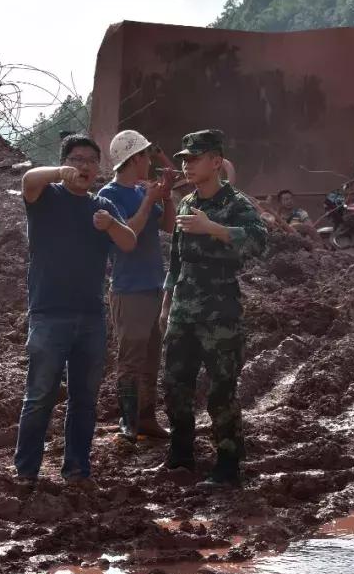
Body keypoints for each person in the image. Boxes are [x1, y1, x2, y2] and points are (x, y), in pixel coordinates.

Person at [15, 134, 137, 488]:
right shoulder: (46, 198)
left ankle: (78, 470)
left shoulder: (101, 208)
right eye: (77, 159)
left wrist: (111, 224)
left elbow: (128, 241)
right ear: (65, 162)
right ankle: (26, 472)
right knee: (39, 396)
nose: (84, 166)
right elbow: (28, 180)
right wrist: (58, 173)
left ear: (99, 169)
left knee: (85, 400)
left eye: (90, 161)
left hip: (91, 317)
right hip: (49, 313)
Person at [158, 130, 267, 488]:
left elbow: (258, 243)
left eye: (194, 158)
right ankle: (180, 458)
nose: (186, 165)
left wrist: (214, 228)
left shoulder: (237, 203)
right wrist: (167, 301)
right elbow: (176, 260)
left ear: (216, 161)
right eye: (185, 159)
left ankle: (228, 465)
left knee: (221, 390)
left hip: (220, 313)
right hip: (183, 311)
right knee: (175, 385)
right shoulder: (187, 202)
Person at [97, 131, 175, 443]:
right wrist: (150, 201)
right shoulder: (109, 195)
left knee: (151, 357)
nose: (149, 163)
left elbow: (167, 226)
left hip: (154, 285)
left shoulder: (142, 191)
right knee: (131, 358)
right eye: (146, 156)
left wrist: (166, 196)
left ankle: (147, 418)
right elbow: (128, 235)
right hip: (129, 289)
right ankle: (128, 421)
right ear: (136, 158)